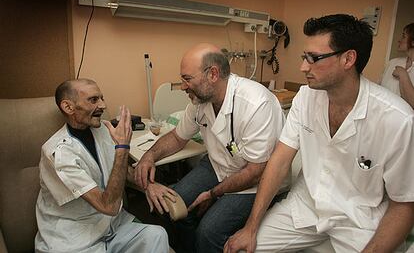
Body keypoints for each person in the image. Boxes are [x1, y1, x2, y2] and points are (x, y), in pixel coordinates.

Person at [225, 14, 414, 253]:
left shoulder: (398, 120)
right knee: (241, 249)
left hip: (357, 219)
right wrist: (250, 228)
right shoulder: (305, 98)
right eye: (305, 57)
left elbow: (404, 204)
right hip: (307, 205)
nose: (303, 67)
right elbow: (280, 161)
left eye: (313, 58)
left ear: (348, 59)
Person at [134, 43, 287, 253]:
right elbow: (178, 137)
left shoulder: (256, 103)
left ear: (213, 74)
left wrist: (212, 194)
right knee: (172, 204)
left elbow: (254, 172)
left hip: (256, 179)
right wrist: (149, 156)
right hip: (218, 165)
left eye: (187, 79)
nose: (183, 87)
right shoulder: (200, 102)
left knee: (209, 231)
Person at [35, 79, 170, 253]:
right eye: (93, 100)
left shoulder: (102, 130)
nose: (103, 105)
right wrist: (122, 147)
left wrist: (147, 185)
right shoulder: (58, 154)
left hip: (110, 226)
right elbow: (109, 206)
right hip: (74, 239)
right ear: (68, 107)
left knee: (157, 235)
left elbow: (119, 170)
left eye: (102, 98)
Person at [381, 23, 414, 108]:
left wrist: (403, 75)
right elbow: (380, 91)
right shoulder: (392, 63)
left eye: (403, 36)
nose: (399, 40)